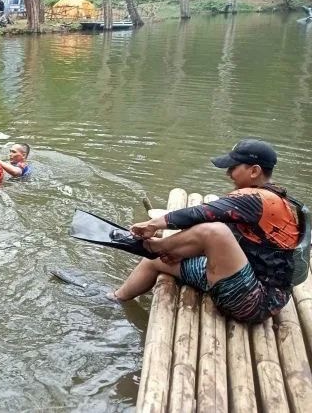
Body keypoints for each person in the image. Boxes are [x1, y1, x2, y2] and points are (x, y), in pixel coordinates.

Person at [110, 139, 306, 324]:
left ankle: (153, 246)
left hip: (256, 301)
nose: (228, 173)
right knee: (154, 261)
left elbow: (201, 213)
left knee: (215, 231)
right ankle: (115, 299)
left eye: (233, 167)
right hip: (243, 277)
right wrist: (181, 251)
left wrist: (154, 224)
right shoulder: (277, 196)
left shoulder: (255, 199)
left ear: (254, 171)